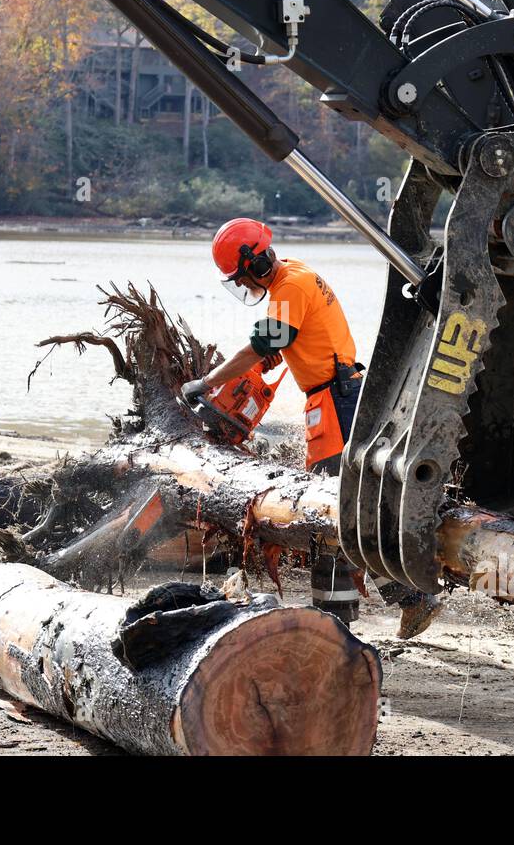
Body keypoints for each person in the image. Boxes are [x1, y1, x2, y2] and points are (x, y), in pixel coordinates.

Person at [181, 217, 442, 639]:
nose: (245, 286)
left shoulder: (288, 288)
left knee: (329, 511)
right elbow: (284, 343)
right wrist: (267, 358)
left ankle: (356, 616)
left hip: (335, 400)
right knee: (342, 509)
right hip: (339, 393)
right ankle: (371, 608)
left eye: (242, 278)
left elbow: (262, 346)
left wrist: (208, 383)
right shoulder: (296, 273)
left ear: (255, 265)